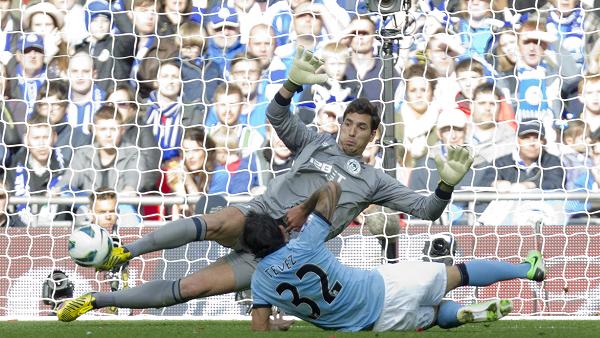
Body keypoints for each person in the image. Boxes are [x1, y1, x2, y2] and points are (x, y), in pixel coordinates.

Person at [56, 47, 474, 322]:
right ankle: (122, 253)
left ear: (372, 136)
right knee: (216, 221)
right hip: (255, 218)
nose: (350, 132)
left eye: (360, 128)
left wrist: (445, 186)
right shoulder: (315, 140)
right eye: (347, 123)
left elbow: (427, 211)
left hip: (279, 255)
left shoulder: (374, 180)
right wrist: (291, 84)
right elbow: (276, 117)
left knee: (190, 288)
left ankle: (97, 302)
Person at [246, 182, 545, 332]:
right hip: (387, 285)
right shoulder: (305, 243)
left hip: (377, 323)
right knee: (459, 274)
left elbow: (259, 328)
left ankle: (466, 314)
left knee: (438, 314)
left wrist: (275, 325)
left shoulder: (259, 283)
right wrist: (303, 208)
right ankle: (526, 268)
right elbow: (331, 189)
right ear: (282, 232)